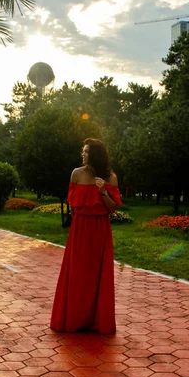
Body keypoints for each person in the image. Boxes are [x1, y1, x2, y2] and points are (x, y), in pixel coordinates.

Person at [50, 138, 121, 334]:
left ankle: (96, 321)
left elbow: (112, 209)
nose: (83, 154)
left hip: (100, 229)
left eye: (87, 151)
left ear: (95, 154)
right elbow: (73, 206)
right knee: (78, 273)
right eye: (83, 151)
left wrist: (103, 191)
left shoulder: (110, 177)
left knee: (98, 275)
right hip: (80, 228)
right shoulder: (76, 174)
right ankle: (74, 319)